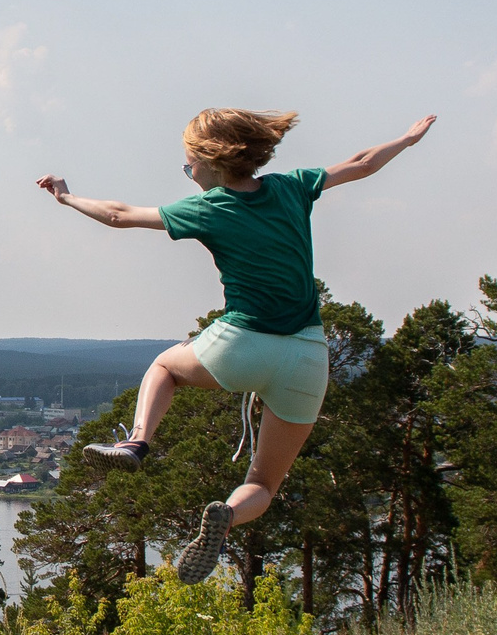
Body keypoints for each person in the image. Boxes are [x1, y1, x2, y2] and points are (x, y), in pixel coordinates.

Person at [34, 108, 435, 583]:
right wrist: (407, 139)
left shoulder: (209, 207)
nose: (189, 174)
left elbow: (119, 216)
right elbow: (363, 162)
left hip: (242, 343)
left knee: (165, 367)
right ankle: (226, 514)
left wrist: (66, 197)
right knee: (265, 482)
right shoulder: (291, 186)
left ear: (213, 161)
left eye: (189, 165)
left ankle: (138, 442)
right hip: (307, 358)